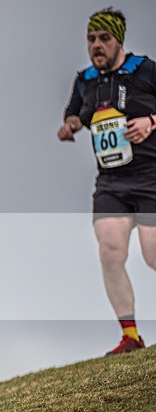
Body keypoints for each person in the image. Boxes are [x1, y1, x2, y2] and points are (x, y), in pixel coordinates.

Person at [58, 7, 156, 355]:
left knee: (152, 254)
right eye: (90, 39)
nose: (96, 46)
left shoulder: (145, 70)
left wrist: (150, 122)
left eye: (103, 39)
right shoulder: (85, 80)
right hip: (112, 183)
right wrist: (70, 124)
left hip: (150, 177)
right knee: (110, 252)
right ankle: (130, 336)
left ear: (119, 41)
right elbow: (75, 111)